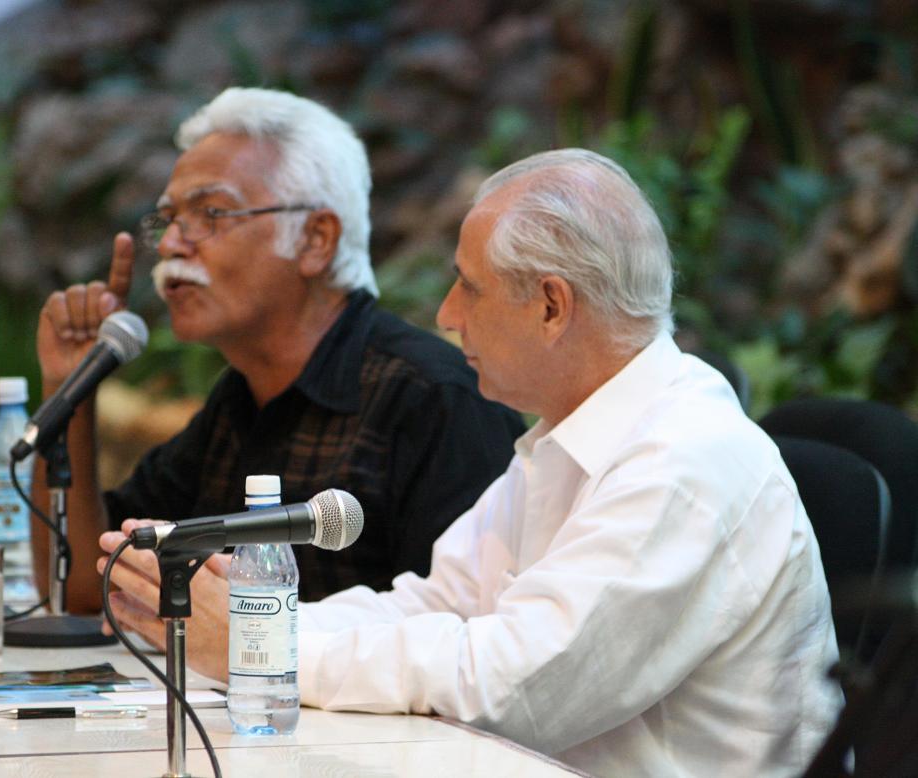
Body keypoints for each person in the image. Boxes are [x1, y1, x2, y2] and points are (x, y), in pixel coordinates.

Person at [98, 149, 844, 776]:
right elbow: (435, 604)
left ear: (551, 306)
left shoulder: (686, 460)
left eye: (470, 286)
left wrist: (266, 650)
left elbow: (515, 688)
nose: (446, 314)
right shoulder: (570, 435)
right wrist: (258, 623)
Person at [31, 87, 524, 613]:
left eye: (210, 212)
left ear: (315, 240)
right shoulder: (239, 402)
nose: (172, 244)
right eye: (168, 220)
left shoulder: (437, 400)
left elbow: (468, 630)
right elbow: (83, 586)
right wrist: (70, 388)